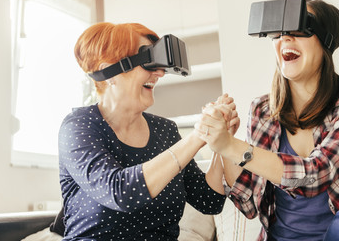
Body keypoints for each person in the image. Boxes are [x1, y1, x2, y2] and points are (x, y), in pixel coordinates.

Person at [196, 0, 339, 240]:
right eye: (279, 32)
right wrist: (226, 142)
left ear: (326, 40)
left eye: (298, 29)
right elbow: (249, 205)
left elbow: (317, 174)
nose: (285, 39)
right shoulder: (262, 110)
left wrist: (232, 146)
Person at [58, 22, 234, 240]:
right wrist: (198, 136)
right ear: (110, 73)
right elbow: (121, 192)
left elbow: (209, 200)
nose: (160, 73)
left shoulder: (165, 131)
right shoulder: (80, 126)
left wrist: (220, 141)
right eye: (148, 62)